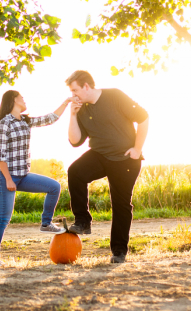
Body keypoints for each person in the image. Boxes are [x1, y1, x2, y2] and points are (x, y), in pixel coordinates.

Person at [65, 70, 149, 264]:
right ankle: (83, 221)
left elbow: (143, 117)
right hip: (100, 155)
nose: (73, 95)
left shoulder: (114, 96)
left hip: (124, 159)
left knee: (120, 204)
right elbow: (75, 140)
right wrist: (73, 115)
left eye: (75, 90)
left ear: (87, 86)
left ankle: (119, 251)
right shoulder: (82, 109)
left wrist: (137, 149)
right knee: (75, 172)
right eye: (71, 91)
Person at [0, 90, 75, 266]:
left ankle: (46, 223)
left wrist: (67, 102)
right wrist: (8, 179)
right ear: (13, 100)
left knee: (54, 187)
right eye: (21, 97)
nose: (24, 100)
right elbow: (0, 156)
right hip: (5, 176)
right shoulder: (4, 123)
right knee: (3, 218)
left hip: (23, 175)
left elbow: (50, 118)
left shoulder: (26, 121)